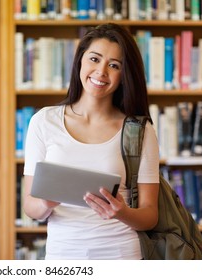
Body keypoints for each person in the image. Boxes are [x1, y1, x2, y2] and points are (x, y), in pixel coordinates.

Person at [22, 23, 160, 260]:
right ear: (80, 61)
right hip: (63, 254)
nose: (101, 72)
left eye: (114, 65)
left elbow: (150, 216)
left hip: (121, 255)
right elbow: (30, 208)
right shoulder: (43, 121)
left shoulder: (139, 131)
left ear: (124, 76)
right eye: (94, 59)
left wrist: (122, 212)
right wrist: (47, 202)